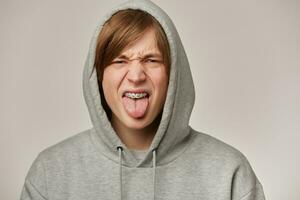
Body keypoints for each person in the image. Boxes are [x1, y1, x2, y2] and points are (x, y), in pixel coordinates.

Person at [20, 0, 265, 200]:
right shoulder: (50, 173)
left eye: (151, 60)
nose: (136, 76)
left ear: (173, 74)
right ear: (98, 77)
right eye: (120, 61)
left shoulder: (228, 173)